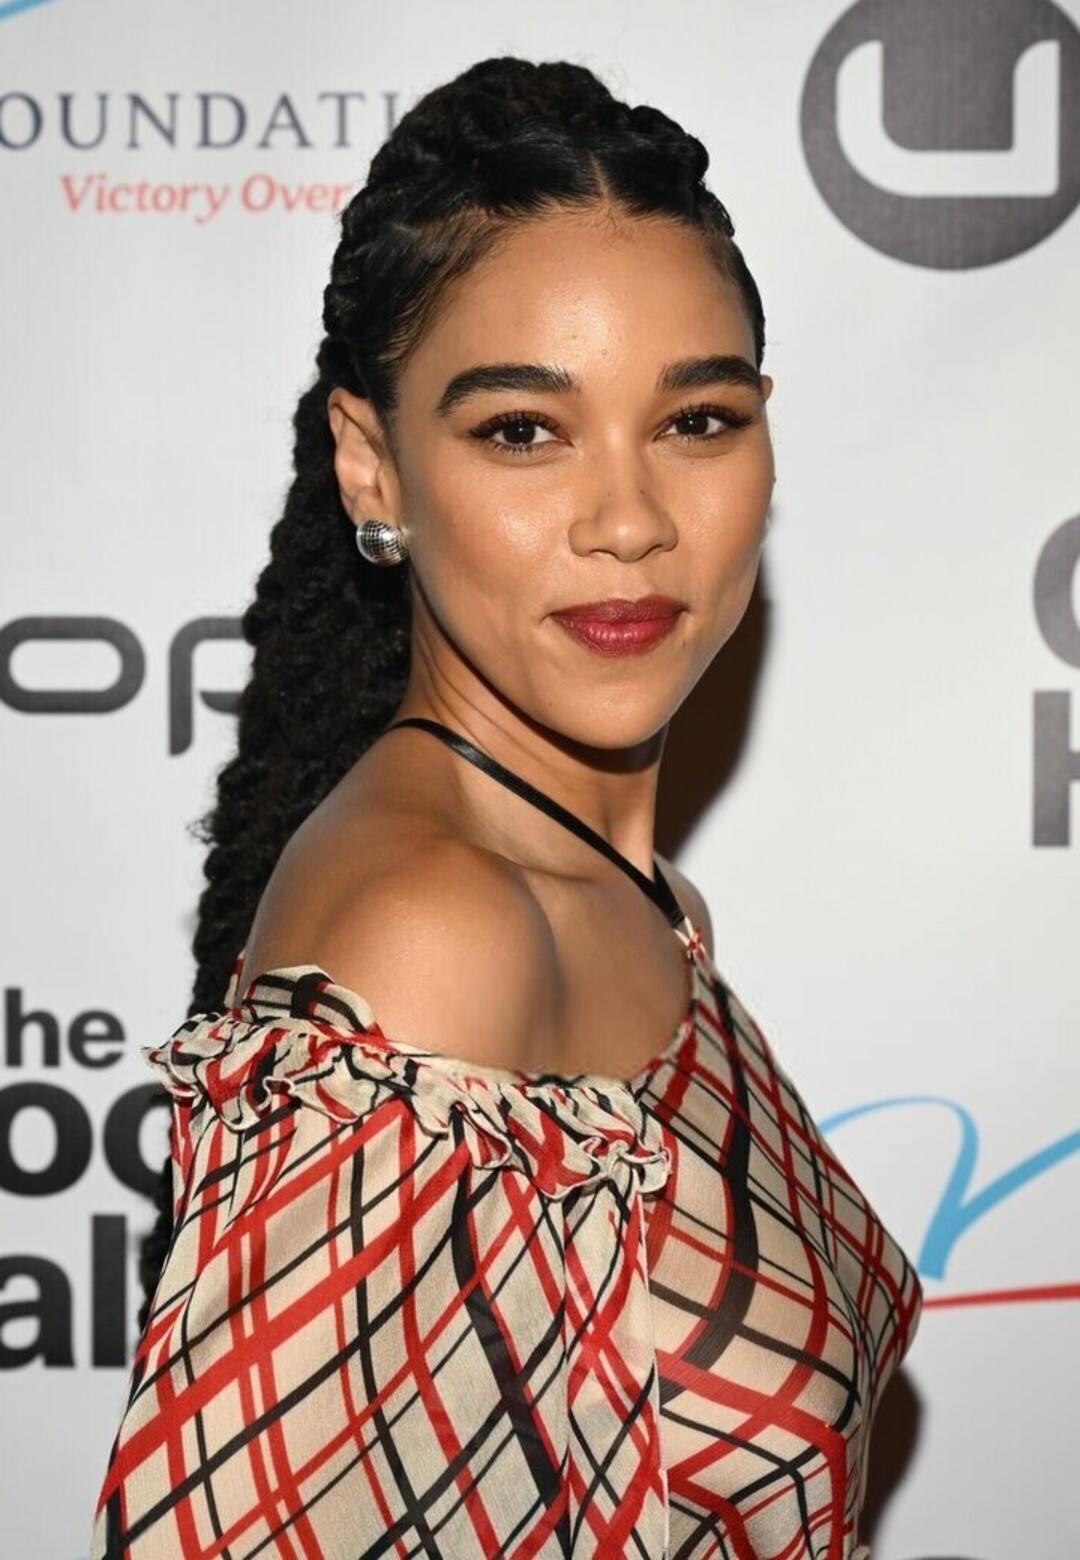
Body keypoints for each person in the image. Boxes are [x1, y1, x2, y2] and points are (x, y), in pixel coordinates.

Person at [90, 56, 921, 1560]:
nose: (630, 521)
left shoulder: (624, 892)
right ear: (371, 464)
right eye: (524, 430)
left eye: (697, 420)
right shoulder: (438, 937)